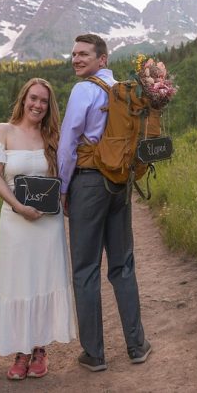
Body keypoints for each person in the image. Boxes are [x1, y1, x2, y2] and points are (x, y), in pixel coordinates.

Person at [58, 33, 151, 372]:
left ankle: (94, 354)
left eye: (83, 54)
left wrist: (63, 188)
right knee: (123, 265)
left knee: (85, 270)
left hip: (89, 183)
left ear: (102, 58)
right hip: (120, 182)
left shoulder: (83, 90)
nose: (76, 59)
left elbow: (68, 143)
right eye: (73, 54)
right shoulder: (124, 90)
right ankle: (137, 345)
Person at [0, 77, 76, 381]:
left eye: (44, 101)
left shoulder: (54, 136)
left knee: (43, 280)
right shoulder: (3, 131)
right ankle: (20, 352)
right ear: (23, 99)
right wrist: (18, 206)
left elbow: (65, 176)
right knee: (18, 282)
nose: (37, 105)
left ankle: (39, 350)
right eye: (33, 98)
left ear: (49, 107)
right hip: (15, 221)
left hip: (48, 224)